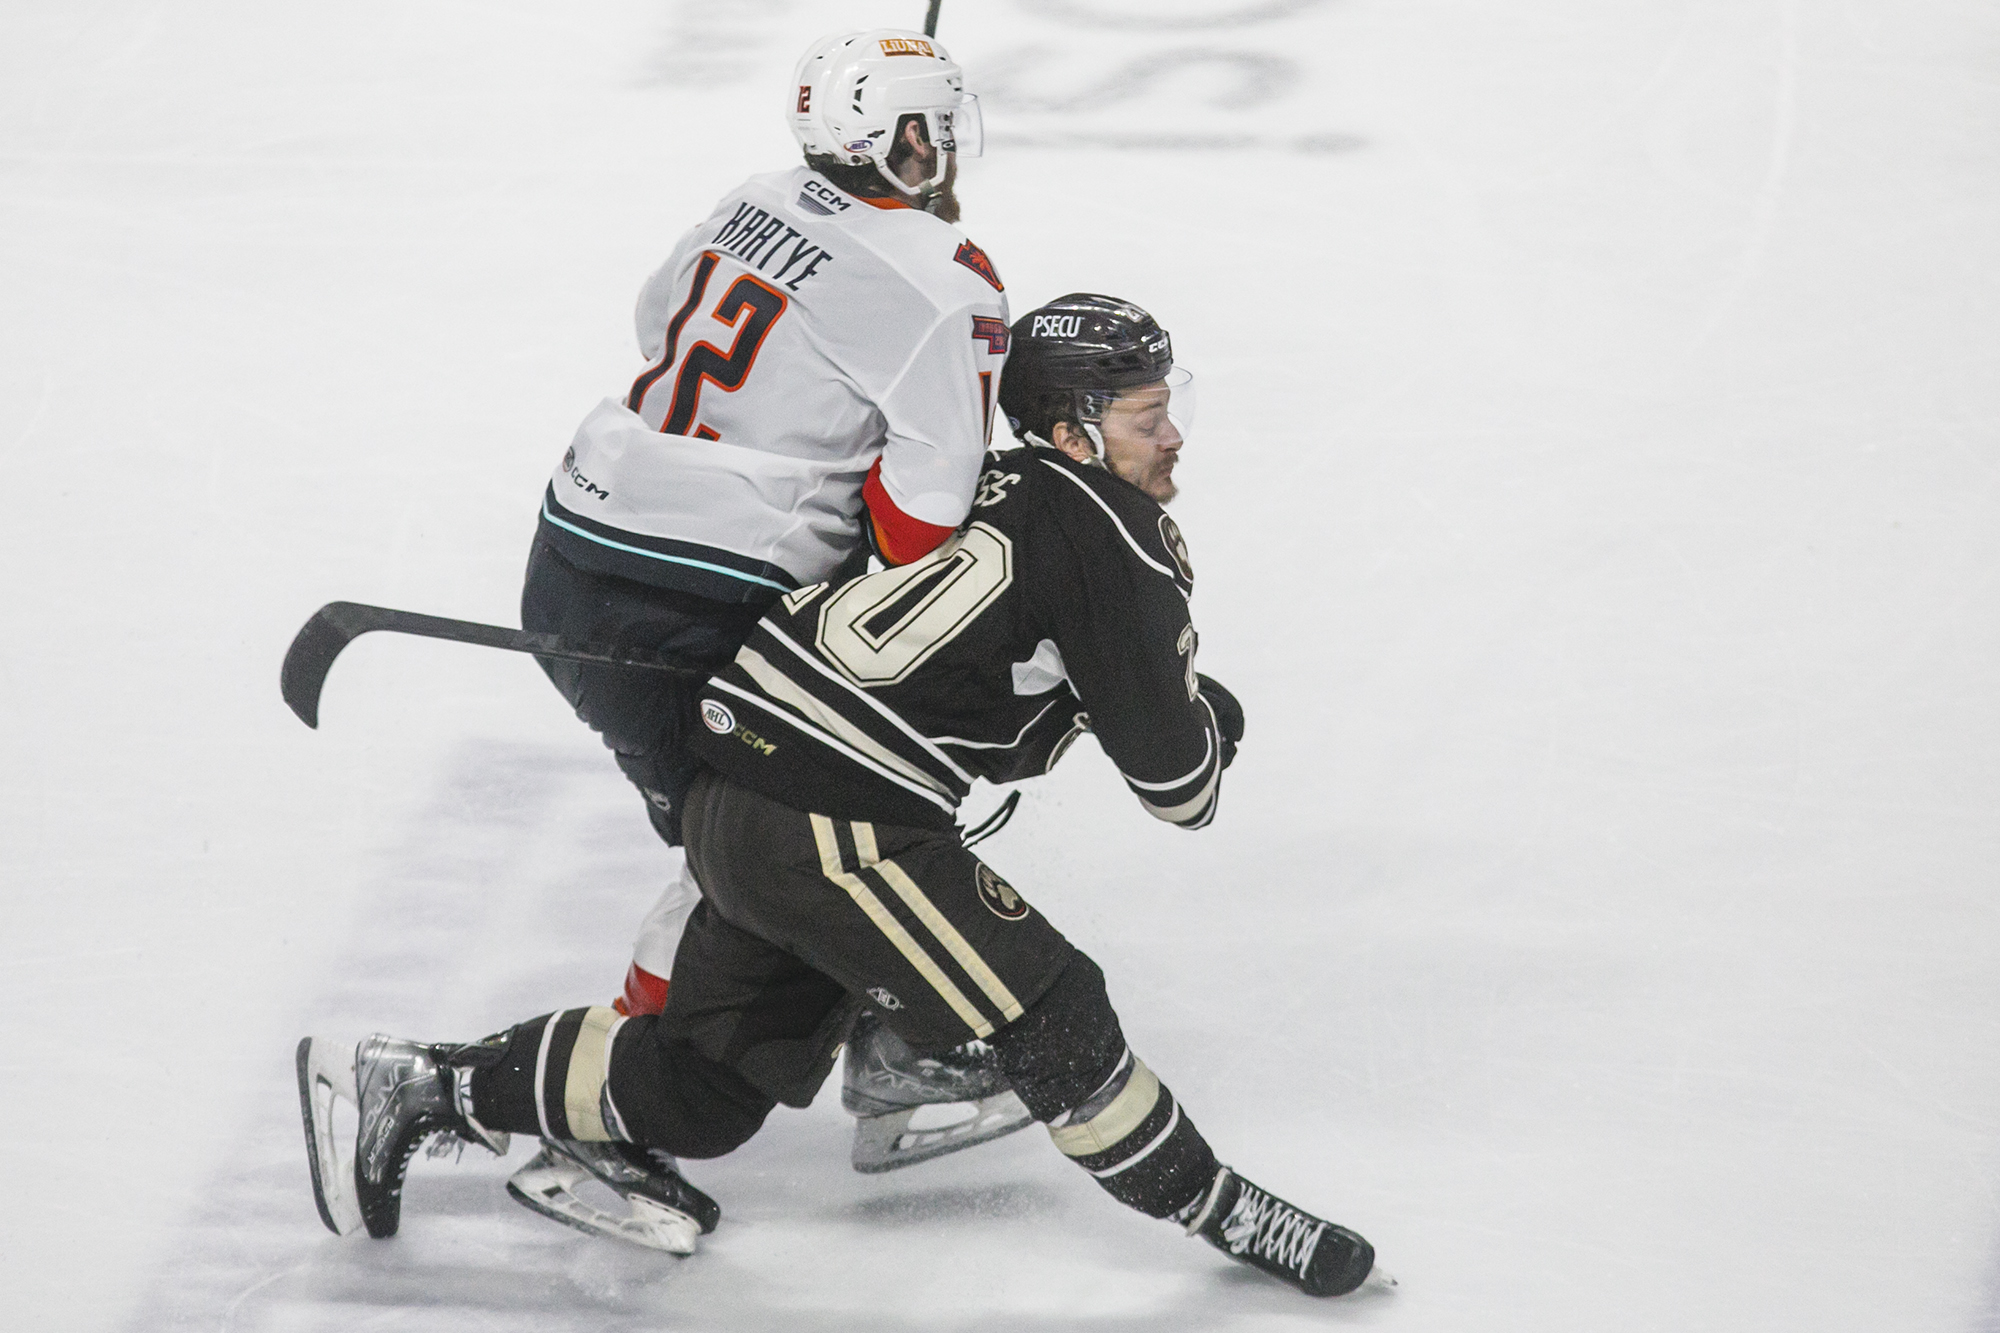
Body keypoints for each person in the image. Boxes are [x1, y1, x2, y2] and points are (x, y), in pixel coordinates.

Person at [297, 295, 1386, 1299]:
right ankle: (1226, 1211)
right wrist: (1199, 719)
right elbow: (1179, 788)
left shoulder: (960, 478)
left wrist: (1073, 702)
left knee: (703, 1092)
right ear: (1077, 431)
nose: (1174, 436)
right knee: (1052, 1008)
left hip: (736, 796)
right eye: (1151, 415)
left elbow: (950, 667)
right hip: (835, 826)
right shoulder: (1119, 540)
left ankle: (419, 1085)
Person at [522, 27, 1008, 1023]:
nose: (946, 147)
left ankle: (852, 1046)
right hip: (699, 600)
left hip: (570, 554)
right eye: (935, 127)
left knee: (739, 847)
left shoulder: (755, 196)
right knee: (783, 840)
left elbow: (654, 317)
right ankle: (618, 1105)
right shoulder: (940, 277)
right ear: (902, 137)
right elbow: (924, 516)